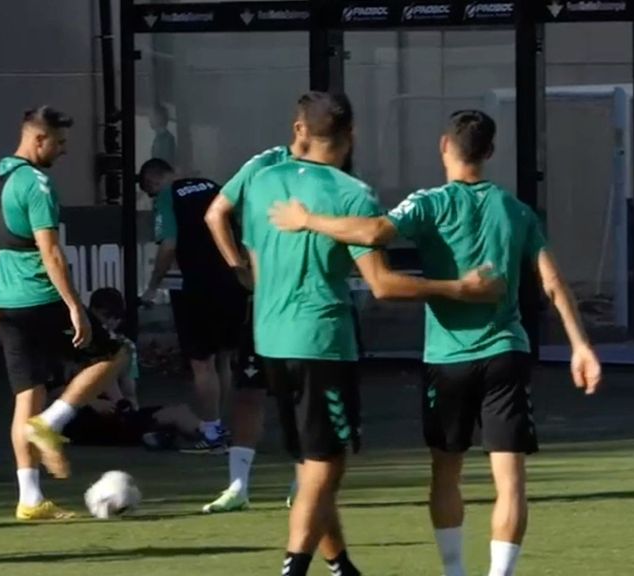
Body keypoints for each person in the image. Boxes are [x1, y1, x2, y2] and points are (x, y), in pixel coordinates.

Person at [269, 109, 603, 576]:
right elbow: (552, 281)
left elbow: (372, 232)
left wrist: (308, 219)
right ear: (488, 153)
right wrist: (580, 345)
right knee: (510, 482)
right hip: (506, 352)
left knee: (446, 471)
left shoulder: (429, 204)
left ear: (444, 146)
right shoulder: (516, 210)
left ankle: (454, 573)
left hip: (447, 359)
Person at [242, 92, 503, 576]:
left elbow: (240, 242)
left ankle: (341, 566)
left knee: (312, 462)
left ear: (300, 129)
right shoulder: (351, 194)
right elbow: (382, 285)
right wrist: (457, 288)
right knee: (326, 465)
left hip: (269, 336)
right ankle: (293, 568)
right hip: (320, 339)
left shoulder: (262, 184)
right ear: (351, 135)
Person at [0, 106, 129, 521]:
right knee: (114, 354)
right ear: (38, 139)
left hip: (5, 301)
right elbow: (51, 252)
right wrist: (76, 306)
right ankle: (54, 422)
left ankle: (29, 498)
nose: (62, 152)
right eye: (58, 143)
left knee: (28, 394)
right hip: (40, 295)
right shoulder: (37, 184)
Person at [199, 117, 310, 513]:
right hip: (266, 305)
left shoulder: (331, 174)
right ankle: (238, 487)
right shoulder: (262, 166)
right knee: (250, 393)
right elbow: (216, 214)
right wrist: (237, 267)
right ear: (298, 127)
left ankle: (304, 483)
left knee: (303, 396)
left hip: (306, 305)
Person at [139, 159, 249, 454]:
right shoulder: (214, 186)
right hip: (232, 282)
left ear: (152, 182)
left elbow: (168, 245)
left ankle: (211, 434)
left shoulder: (166, 196)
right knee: (224, 358)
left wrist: (152, 284)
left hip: (199, 286)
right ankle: (217, 426)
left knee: (202, 363)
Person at [61, 288, 207, 449]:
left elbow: (129, 393)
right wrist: (91, 402)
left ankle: (202, 435)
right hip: (84, 416)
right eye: (105, 316)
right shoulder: (74, 346)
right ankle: (205, 437)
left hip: (117, 413)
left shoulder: (121, 346)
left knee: (180, 411)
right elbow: (55, 391)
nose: (109, 323)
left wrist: (127, 407)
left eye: (115, 318)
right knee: (175, 416)